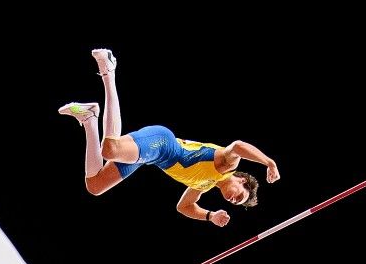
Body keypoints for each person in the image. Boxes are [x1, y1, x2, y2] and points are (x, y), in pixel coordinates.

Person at [59, 48, 280, 226]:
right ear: (242, 180)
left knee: (95, 186)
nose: (233, 201)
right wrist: (268, 162)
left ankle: (89, 119)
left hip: (152, 158)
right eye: (239, 197)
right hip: (163, 143)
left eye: (235, 203)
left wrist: (210, 216)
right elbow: (239, 146)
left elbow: (183, 207)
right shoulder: (226, 165)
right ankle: (109, 70)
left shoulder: (205, 185)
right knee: (110, 150)